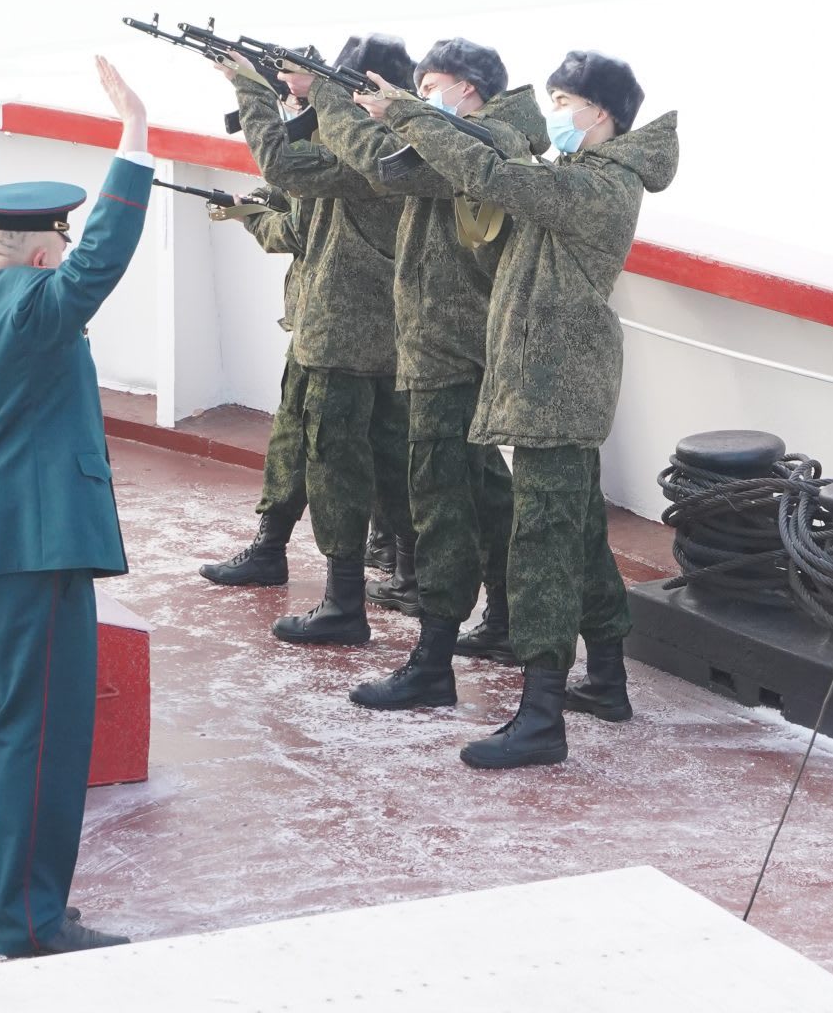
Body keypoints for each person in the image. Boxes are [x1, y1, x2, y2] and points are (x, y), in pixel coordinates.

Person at [355, 50, 679, 768]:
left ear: (601, 112)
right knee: (575, 531)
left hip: (558, 384)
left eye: (564, 101)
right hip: (548, 378)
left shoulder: (601, 186)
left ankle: (540, 716)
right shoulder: (578, 174)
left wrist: (405, 114)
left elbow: (493, 175)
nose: (554, 112)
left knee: (542, 546)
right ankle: (606, 680)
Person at [0, 56, 151, 955]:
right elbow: (103, 260)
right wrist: (135, 137)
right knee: (43, 739)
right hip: (35, 556)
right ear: (46, 251)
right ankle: (29, 922)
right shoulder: (35, 305)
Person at [304, 38, 545, 712]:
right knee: (483, 493)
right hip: (451, 347)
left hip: (450, 352)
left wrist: (328, 95)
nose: (423, 95)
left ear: (468, 88)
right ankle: (503, 620)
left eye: (432, 85)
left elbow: (380, 163)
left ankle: (433, 662)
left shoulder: (484, 142)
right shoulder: (473, 135)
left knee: (442, 505)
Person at [224, 38, 413, 646]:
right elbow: (300, 223)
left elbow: (282, 166)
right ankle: (283, 551)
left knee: (337, 465)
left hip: (345, 333)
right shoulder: (369, 143)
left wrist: (252, 88)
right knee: (321, 444)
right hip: (343, 326)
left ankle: (344, 603)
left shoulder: (373, 152)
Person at [199, 181, 313, 587]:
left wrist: (250, 216)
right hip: (377, 325)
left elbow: (299, 230)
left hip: (329, 331)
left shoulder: (341, 155)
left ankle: (269, 549)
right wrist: (263, 198)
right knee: (380, 437)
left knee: (293, 437)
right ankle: (392, 552)